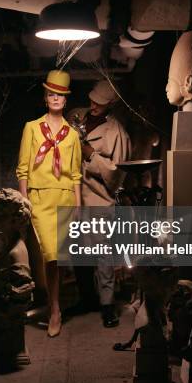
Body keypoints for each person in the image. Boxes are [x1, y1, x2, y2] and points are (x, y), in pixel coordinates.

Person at [16, 70, 82, 337]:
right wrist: (24, 199)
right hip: (39, 198)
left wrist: (77, 203)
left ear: (65, 101)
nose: (56, 98)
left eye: (61, 95)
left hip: (64, 197)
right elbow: (22, 169)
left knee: (58, 257)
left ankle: (55, 306)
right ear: (45, 98)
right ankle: (54, 308)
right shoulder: (31, 128)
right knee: (50, 255)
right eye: (51, 94)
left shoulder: (73, 135)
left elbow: (76, 173)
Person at [68, 79, 131, 327]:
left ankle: (107, 305)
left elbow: (117, 175)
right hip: (73, 197)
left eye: (100, 103)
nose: (93, 104)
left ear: (111, 104)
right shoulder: (77, 117)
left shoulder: (117, 133)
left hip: (98, 200)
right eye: (93, 99)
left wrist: (91, 155)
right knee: (78, 251)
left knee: (102, 254)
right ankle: (87, 299)